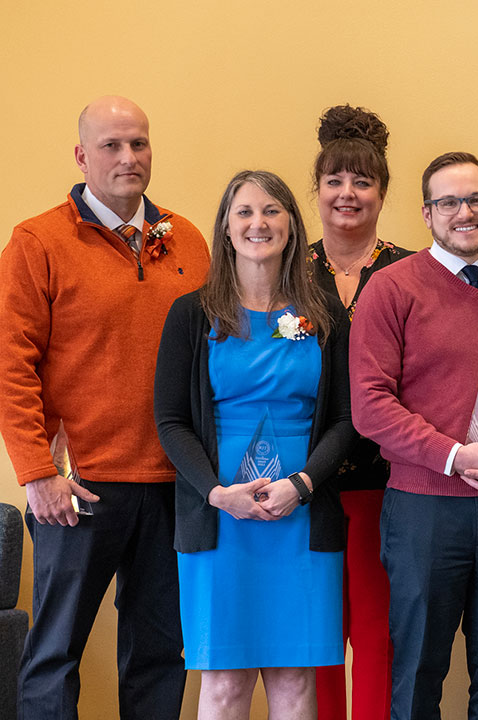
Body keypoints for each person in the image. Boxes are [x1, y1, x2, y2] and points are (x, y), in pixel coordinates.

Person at [0, 96, 209, 719]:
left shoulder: (189, 240)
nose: (128, 157)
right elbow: (12, 367)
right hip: (80, 489)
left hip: (175, 486)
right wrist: (39, 473)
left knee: (159, 655)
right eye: (112, 145)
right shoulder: (37, 241)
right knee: (55, 654)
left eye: (139, 143)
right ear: (81, 155)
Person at [349, 152, 478, 719]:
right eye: (448, 202)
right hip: (424, 510)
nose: (463, 212)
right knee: (417, 669)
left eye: (476, 199)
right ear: (427, 214)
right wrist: (453, 456)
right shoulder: (390, 289)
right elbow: (369, 405)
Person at [154, 170, 351, 719]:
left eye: (271, 211)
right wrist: (217, 494)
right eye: (244, 211)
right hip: (219, 522)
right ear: (225, 226)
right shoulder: (190, 315)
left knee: (294, 682)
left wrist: (303, 484)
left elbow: (346, 417)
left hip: (303, 518)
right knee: (222, 684)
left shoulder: (327, 315)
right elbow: (170, 421)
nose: (257, 223)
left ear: (291, 226)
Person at [308, 104, 412, 720]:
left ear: (383, 192)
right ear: (317, 190)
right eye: (335, 181)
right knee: (317, 636)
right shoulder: (288, 270)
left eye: (363, 181)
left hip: (389, 483)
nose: (348, 194)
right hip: (304, 483)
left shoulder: (410, 271)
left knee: (378, 634)